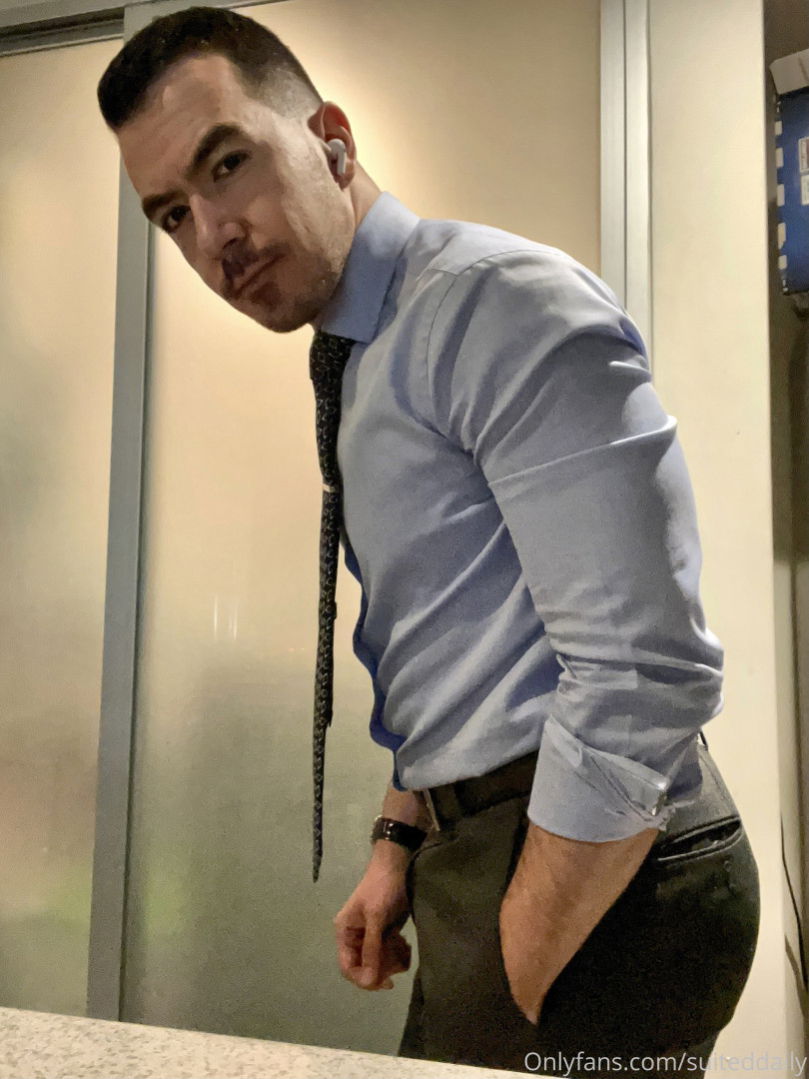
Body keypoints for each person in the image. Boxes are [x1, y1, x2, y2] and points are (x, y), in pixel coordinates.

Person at [96, 8, 760, 1075]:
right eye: (172, 213)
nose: (213, 234)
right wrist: (401, 840)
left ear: (330, 138)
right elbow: (453, 633)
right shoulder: (365, 349)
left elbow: (645, 671)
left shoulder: (493, 305)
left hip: (606, 872)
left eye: (227, 164)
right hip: (493, 843)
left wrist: (518, 953)